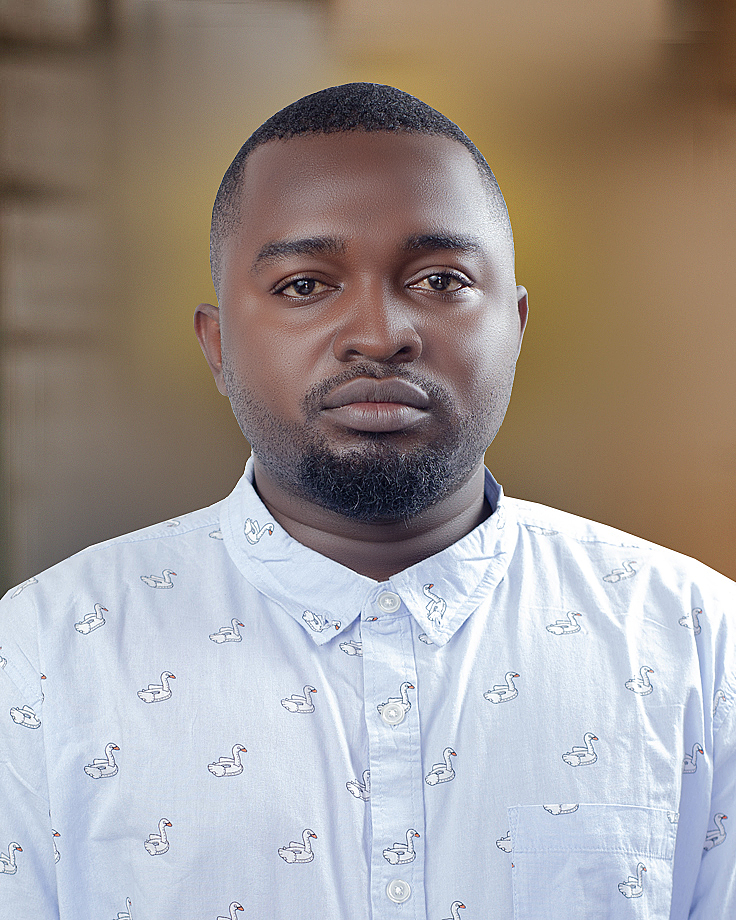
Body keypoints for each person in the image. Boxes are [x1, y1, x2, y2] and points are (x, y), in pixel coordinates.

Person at [0, 83, 733, 920]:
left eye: (441, 279)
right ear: (217, 344)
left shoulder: (700, 645)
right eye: (304, 286)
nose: (379, 335)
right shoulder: (43, 657)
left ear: (517, 325)